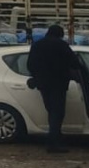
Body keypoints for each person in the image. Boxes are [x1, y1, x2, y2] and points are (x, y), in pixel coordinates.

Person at [27, 24, 76, 154]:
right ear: (60, 34)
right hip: (58, 84)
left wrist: (38, 77)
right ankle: (54, 143)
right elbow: (74, 62)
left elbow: (30, 64)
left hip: (43, 85)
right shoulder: (61, 45)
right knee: (57, 113)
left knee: (51, 111)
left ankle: (55, 138)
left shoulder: (37, 45)